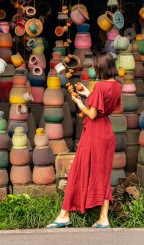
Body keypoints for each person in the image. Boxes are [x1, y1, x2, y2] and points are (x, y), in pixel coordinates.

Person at [47, 52, 122, 228]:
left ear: (100, 68)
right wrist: (89, 94)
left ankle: (64, 214)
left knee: (78, 170)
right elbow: (102, 106)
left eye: (96, 67)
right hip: (106, 133)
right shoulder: (116, 86)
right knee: (103, 175)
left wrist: (80, 104)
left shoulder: (101, 86)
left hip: (94, 134)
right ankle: (103, 218)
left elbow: (93, 113)